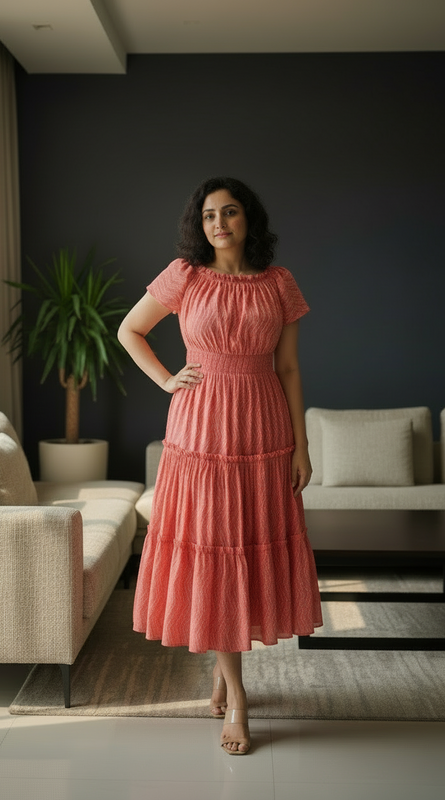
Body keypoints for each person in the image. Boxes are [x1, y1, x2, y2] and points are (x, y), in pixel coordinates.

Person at [118, 177, 322, 755]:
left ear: (248, 219)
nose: (219, 224)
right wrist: (166, 380)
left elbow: (288, 369)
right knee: (214, 545)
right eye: (208, 215)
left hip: (261, 428)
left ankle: (222, 665)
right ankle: (238, 695)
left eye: (229, 213)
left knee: (247, 546)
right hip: (200, 429)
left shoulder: (279, 284)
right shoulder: (184, 274)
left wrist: (302, 448)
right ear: (198, 225)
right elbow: (128, 329)